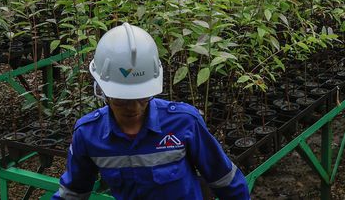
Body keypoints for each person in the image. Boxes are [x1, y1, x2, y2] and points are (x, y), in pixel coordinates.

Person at [53, 22, 250, 200]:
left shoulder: (183, 123)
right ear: (102, 90)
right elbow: (73, 193)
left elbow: (224, 179)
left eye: (141, 97)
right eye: (122, 100)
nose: (133, 107)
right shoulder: (88, 135)